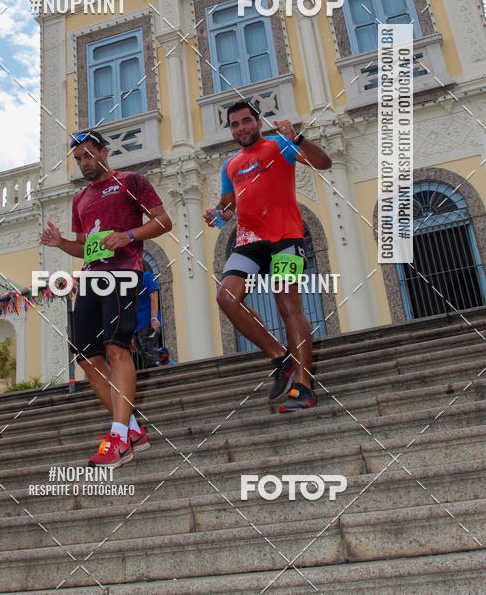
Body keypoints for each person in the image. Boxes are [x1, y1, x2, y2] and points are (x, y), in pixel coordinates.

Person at [41, 130, 172, 467]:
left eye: (88, 155)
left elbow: (163, 221)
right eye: (79, 159)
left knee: (116, 348)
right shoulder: (79, 199)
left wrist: (127, 235)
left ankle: (117, 438)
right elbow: (84, 248)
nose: (84, 163)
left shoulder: (132, 181)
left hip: (125, 271)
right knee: (87, 360)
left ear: (104, 152)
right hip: (91, 278)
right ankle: (131, 430)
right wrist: (59, 243)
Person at [204, 101, 331, 411]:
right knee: (226, 298)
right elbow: (228, 207)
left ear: (257, 122)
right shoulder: (230, 165)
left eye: (246, 121)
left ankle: (303, 385)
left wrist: (297, 137)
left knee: (288, 304)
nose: (241, 128)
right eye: (235, 124)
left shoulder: (278, 145)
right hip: (249, 241)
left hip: (286, 236)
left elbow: (323, 163)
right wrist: (217, 215)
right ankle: (280, 357)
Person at [134, 270, 162, 368]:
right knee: (145, 359)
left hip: (147, 323)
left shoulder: (146, 276)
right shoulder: (131, 282)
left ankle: (160, 380)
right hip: (137, 327)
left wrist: (154, 318)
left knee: (152, 357)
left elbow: (154, 296)